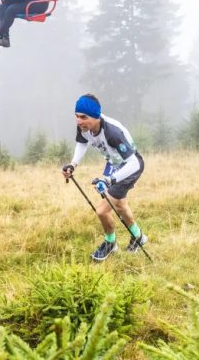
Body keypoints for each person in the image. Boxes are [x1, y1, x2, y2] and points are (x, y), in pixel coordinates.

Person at [61, 94, 148, 261]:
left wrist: (109, 180)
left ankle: (110, 243)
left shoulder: (112, 132)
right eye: (77, 116)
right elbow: (82, 143)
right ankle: (138, 237)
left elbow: (134, 163)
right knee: (120, 204)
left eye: (83, 117)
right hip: (113, 163)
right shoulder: (84, 127)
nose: (79, 121)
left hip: (130, 166)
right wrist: (73, 165)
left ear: (95, 116)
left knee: (102, 210)